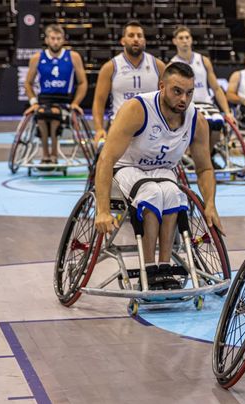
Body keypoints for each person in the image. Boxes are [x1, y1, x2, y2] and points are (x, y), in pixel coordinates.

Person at [94, 62, 221, 290]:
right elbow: (105, 159)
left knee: (174, 194)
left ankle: (164, 266)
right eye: (177, 91)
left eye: (189, 92)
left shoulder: (196, 120)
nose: (184, 98)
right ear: (162, 86)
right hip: (126, 167)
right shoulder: (137, 109)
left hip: (162, 170)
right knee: (151, 192)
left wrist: (210, 204)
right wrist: (102, 210)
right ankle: (149, 267)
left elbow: (205, 168)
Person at [171, 25, 236, 166]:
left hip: (206, 103)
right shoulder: (172, 65)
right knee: (201, 125)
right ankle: (197, 157)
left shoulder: (203, 60)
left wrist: (227, 112)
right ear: (174, 41)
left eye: (187, 37)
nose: (184, 41)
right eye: (181, 38)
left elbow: (216, 88)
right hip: (187, 105)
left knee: (217, 122)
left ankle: (205, 157)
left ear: (191, 40)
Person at [23, 24, 88, 165]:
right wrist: (33, 102)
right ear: (46, 40)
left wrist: (76, 103)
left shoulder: (73, 57)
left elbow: (83, 83)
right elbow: (28, 83)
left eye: (58, 38)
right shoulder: (37, 58)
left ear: (63, 40)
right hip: (44, 100)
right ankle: (45, 154)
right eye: (52, 38)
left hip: (64, 100)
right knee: (41, 115)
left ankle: (53, 154)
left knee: (53, 115)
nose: (55, 41)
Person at [92, 21, 166, 143]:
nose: (136, 39)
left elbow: (166, 99)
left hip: (152, 128)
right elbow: (99, 101)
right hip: (119, 127)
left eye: (139, 36)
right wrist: (99, 129)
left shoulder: (158, 66)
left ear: (144, 41)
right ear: (123, 41)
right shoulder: (110, 67)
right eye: (131, 36)